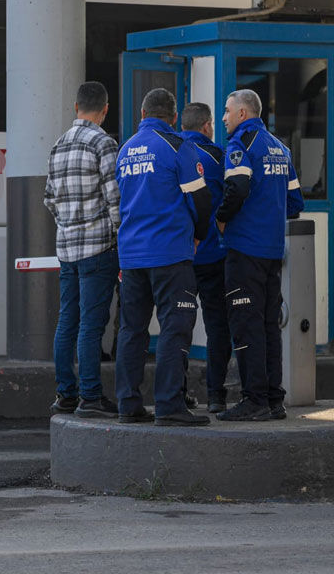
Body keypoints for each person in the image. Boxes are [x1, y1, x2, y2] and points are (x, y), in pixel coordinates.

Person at [114, 88, 213, 426]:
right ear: (173, 117)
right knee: (175, 327)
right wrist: (200, 235)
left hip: (130, 256)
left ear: (143, 115)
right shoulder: (178, 147)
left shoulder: (125, 150)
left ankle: (128, 404)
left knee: (132, 330)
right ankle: (169, 405)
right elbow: (201, 201)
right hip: (170, 253)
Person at [215, 89, 305, 422]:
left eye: (226, 111)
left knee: (246, 324)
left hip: (245, 249)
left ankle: (254, 400)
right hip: (271, 251)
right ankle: (273, 400)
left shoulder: (240, 145)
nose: (223, 117)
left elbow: (236, 188)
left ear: (242, 113)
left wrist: (221, 217)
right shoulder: (280, 148)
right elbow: (296, 203)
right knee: (269, 325)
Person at [44, 82, 121, 417]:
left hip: (67, 249)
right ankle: (91, 396)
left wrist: (67, 222)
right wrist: (121, 239)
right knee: (92, 325)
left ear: (76, 107)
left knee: (67, 322)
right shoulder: (104, 143)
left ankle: (66, 395)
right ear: (105, 110)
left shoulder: (58, 145)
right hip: (98, 248)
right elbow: (115, 199)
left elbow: (48, 198)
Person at [179, 102, 230, 413]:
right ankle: (215, 395)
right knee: (217, 326)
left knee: (179, 325)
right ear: (207, 126)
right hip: (213, 254)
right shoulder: (217, 157)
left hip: (180, 257)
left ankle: (179, 392)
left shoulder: (173, 153)